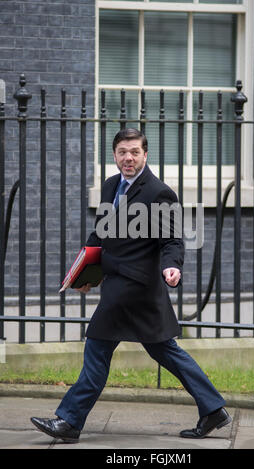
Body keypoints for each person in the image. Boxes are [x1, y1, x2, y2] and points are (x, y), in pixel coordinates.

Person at [31, 128, 231, 442]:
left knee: (97, 346)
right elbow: (99, 236)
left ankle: (68, 421)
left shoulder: (158, 192)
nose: (129, 158)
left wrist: (171, 267)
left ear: (145, 154)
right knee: (166, 351)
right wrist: (84, 275)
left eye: (135, 152)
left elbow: (172, 240)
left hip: (136, 288)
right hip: (120, 287)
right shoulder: (110, 187)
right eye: (123, 151)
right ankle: (213, 408)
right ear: (115, 155)